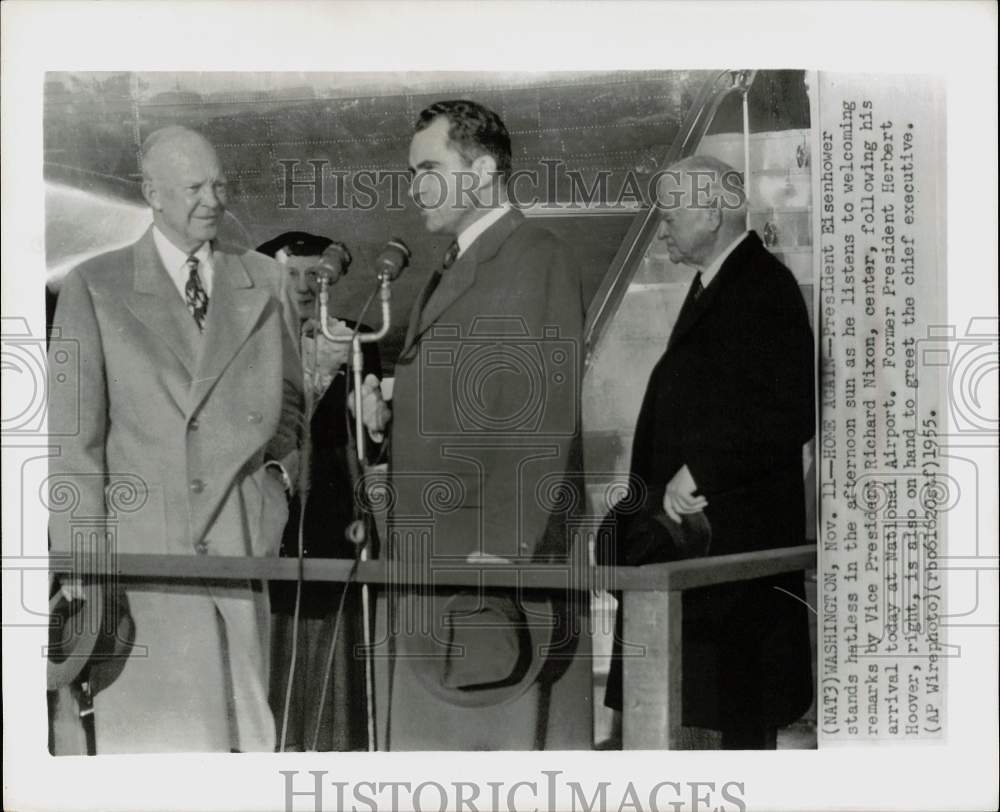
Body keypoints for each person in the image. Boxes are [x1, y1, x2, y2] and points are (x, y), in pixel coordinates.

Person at [47, 125, 303, 754]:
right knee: (160, 751)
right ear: (152, 193)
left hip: (238, 548)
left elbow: (293, 406)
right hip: (144, 565)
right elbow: (70, 438)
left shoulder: (264, 281)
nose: (212, 200)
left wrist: (275, 490)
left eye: (219, 184)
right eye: (193, 187)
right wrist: (81, 555)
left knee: (242, 746)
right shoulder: (95, 286)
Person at [373, 100, 591, 749]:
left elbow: (539, 421)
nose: (414, 187)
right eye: (411, 172)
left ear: (484, 169)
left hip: (487, 569)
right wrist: (389, 414)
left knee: (495, 752)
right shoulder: (456, 263)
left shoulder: (534, 255)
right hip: (437, 564)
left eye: (429, 168)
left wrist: (497, 556)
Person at [600, 155, 815, 749]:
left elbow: (788, 409)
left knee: (731, 723)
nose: (661, 227)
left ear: (712, 212)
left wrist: (704, 470)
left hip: (730, 560)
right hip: (704, 556)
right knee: (702, 713)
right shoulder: (720, 284)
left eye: (669, 216)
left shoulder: (762, 285)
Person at [256, 231, 384, 751]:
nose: (306, 285)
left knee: (336, 644)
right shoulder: (250, 342)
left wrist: (375, 427)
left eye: (315, 273)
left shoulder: (359, 340)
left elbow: (368, 446)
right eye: (292, 275)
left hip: (336, 515)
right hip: (270, 515)